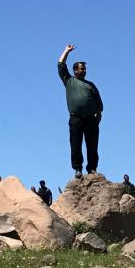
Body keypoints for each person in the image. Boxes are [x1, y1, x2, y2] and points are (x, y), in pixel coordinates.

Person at [58, 44, 103, 177]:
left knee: (92, 145)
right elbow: (60, 64)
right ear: (75, 70)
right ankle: (78, 169)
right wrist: (66, 51)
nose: (85, 71)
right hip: (76, 118)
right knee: (75, 144)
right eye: (82, 69)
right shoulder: (69, 81)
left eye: (85, 69)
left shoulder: (91, 85)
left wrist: (98, 115)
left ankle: (92, 169)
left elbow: (99, 103)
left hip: (91, 119)